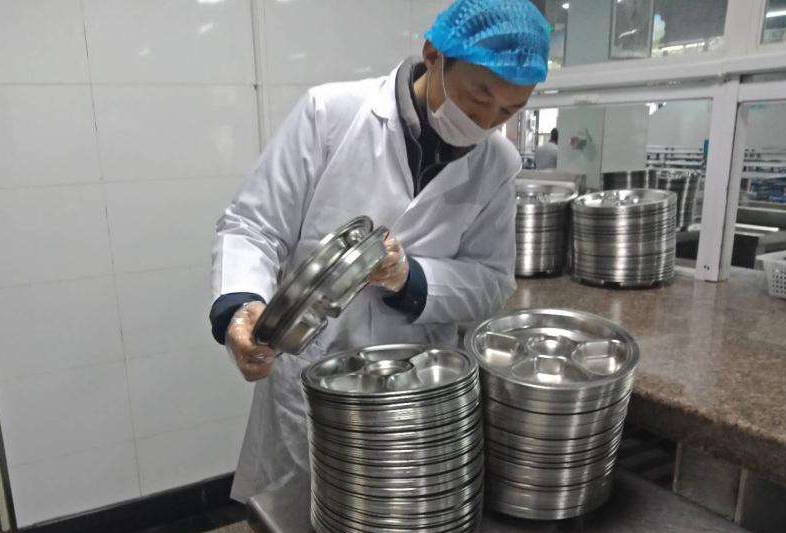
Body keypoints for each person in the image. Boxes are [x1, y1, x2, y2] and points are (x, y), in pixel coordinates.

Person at [210, 0, 550, 502]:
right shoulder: (331, 114)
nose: (485, 122)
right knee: (300, 518)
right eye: (478, 97)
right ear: (433, 55)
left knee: (396, 518)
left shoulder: (497, 163)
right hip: (313, 365)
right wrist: (240, 306)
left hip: (415, 380)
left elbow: (491, 282)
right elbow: (253, 225)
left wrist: (409, 278)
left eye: (509, 110)